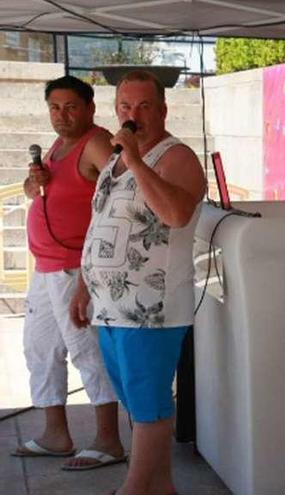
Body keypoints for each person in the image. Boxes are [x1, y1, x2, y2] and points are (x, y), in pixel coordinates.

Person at [70, 70, 205, 495]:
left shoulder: (176, 156)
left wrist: (134, 160)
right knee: (133, 399)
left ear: (163, 110)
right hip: (111, 306)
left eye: (145, 106)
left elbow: (177, 214)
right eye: (126, 107)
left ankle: (134, 487)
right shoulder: (112, 159)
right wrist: (83, 283)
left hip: (152, 307)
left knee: (148, 402)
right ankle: (160, 484)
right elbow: (101, 225)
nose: (134, 115)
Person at [12, 75, 126, 471]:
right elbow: (36, 192)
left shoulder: (96, 142)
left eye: (70, 107)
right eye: (54, 108)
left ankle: (108, 440)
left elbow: (122, 196)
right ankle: (55, 434)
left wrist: (89, 274)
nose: (61, 116)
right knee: (40, 349)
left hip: (76, 268)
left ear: (90, 108)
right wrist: (33, 182)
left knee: (88, 352)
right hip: (46, 267)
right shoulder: (59, 145)